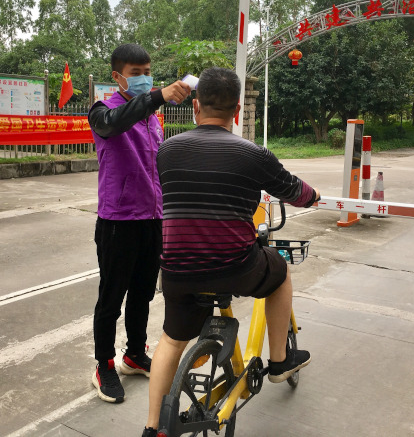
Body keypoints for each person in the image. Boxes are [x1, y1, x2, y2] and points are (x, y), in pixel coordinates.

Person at [141, 67, 320, 436]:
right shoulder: (253, 154)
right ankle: (279, 361)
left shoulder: (167, 150)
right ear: (237, 111)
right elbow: (295, 192)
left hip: (177, 269)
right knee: (280, 272)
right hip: (235, 266)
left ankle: (152, 426)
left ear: (195, 106)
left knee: (172, 340)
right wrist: (314, 195)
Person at [88, 43, 191, 404]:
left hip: (153, 219)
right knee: (111, 298)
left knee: (144, 293)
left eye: (148, 72)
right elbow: (117, 122)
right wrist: (158, 96)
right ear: (117, 77)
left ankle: (134, 353)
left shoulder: (153, 119)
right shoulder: (102, 112)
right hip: (118, 220)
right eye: (136, 73)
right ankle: (104, 365)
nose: (144, 79)